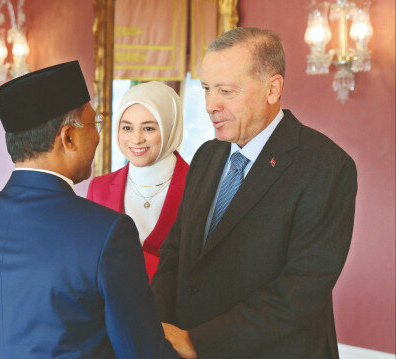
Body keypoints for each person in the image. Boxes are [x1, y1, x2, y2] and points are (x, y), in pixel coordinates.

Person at [0, 61, 180, 359]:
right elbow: (142, 353)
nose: (98, 136)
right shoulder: (107, 232)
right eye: (95, 125)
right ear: (68, 138)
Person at [151, 27, 358, 359]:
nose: (210, 105)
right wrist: (157, 328)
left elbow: (300, 290)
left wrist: (199, 342)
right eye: (205, 89)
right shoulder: (205, 156)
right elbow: (174, 254)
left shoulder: (326, 165)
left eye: (226, 91)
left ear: (272, 88)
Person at [87, 81, 189, 282]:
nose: (136, 139)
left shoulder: (200, 184)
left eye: (148, 128)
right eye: (127, 128)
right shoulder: (99, 188)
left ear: (170, 127)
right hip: (114, 309)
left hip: (178, 310)